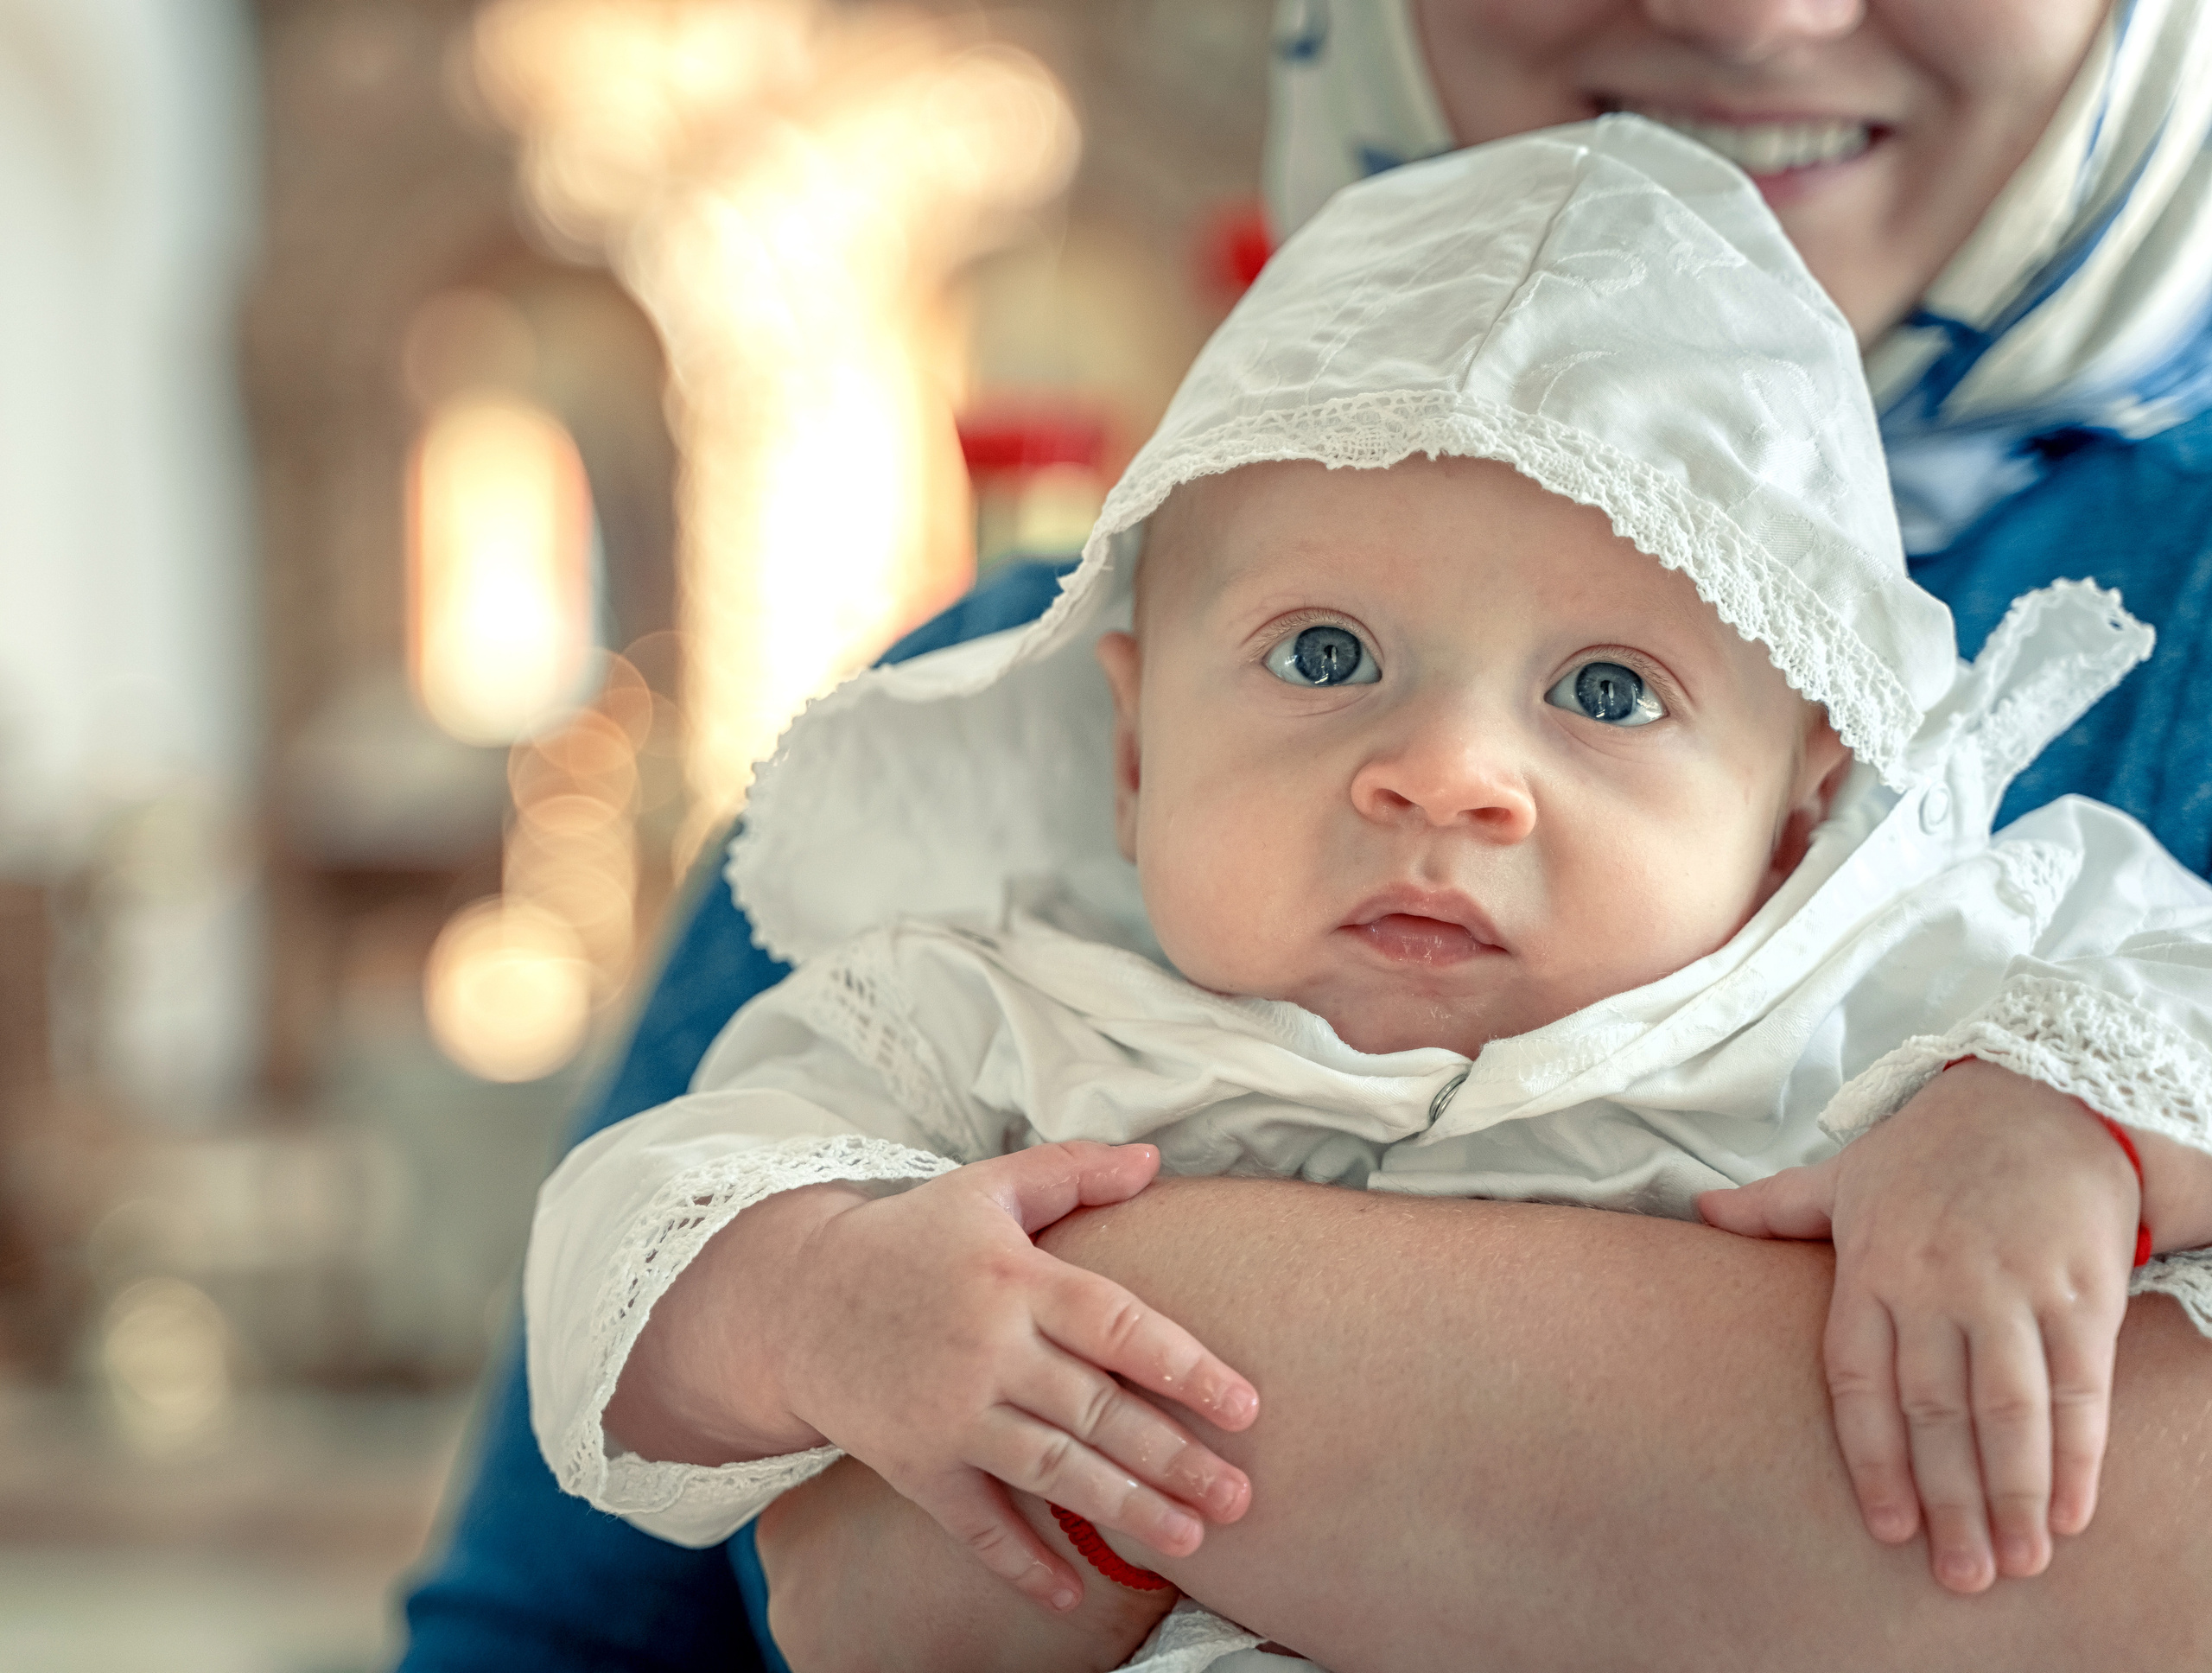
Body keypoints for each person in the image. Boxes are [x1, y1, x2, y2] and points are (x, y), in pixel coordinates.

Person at [396, 4, 2212, 1669]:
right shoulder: (991, 979)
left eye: (1602, 693)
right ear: (1119, 740)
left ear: (1810, 793)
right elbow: (616, 1312)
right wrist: (810, 1296)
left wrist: (2055, 1124)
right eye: (1322, 656)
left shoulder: (1887, 974)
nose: (1444, 776)